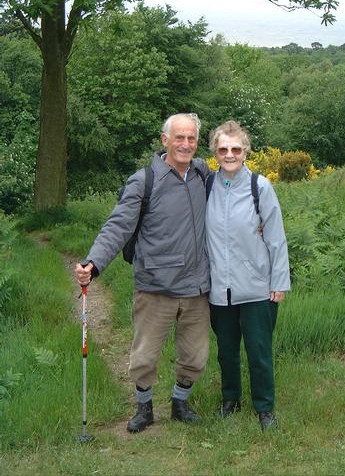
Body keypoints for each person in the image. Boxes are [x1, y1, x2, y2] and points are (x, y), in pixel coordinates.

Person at [75, 113, 210, 433]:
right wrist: (93, 264)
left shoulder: (203, 174)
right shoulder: (145, 180)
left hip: (196, 287)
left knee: (195, 356)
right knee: (144, 357)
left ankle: (180, 403)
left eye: (191, 138)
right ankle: (144, 408)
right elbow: (117, 227)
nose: (185, 144)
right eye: (179, 137)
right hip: (155, 287)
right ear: (165, 140)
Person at [205, 120, 290, 431]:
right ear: (215, 151)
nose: (229, 154)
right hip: (219, 288)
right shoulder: (207, 185)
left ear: (245, 152)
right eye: (223, 149)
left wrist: (279, 282)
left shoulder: (260, 187)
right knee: (226, 351)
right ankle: (230, 400)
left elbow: (276, 238)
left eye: (236, 149)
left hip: (257, 288)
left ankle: (264, 408)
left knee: (259, 352)